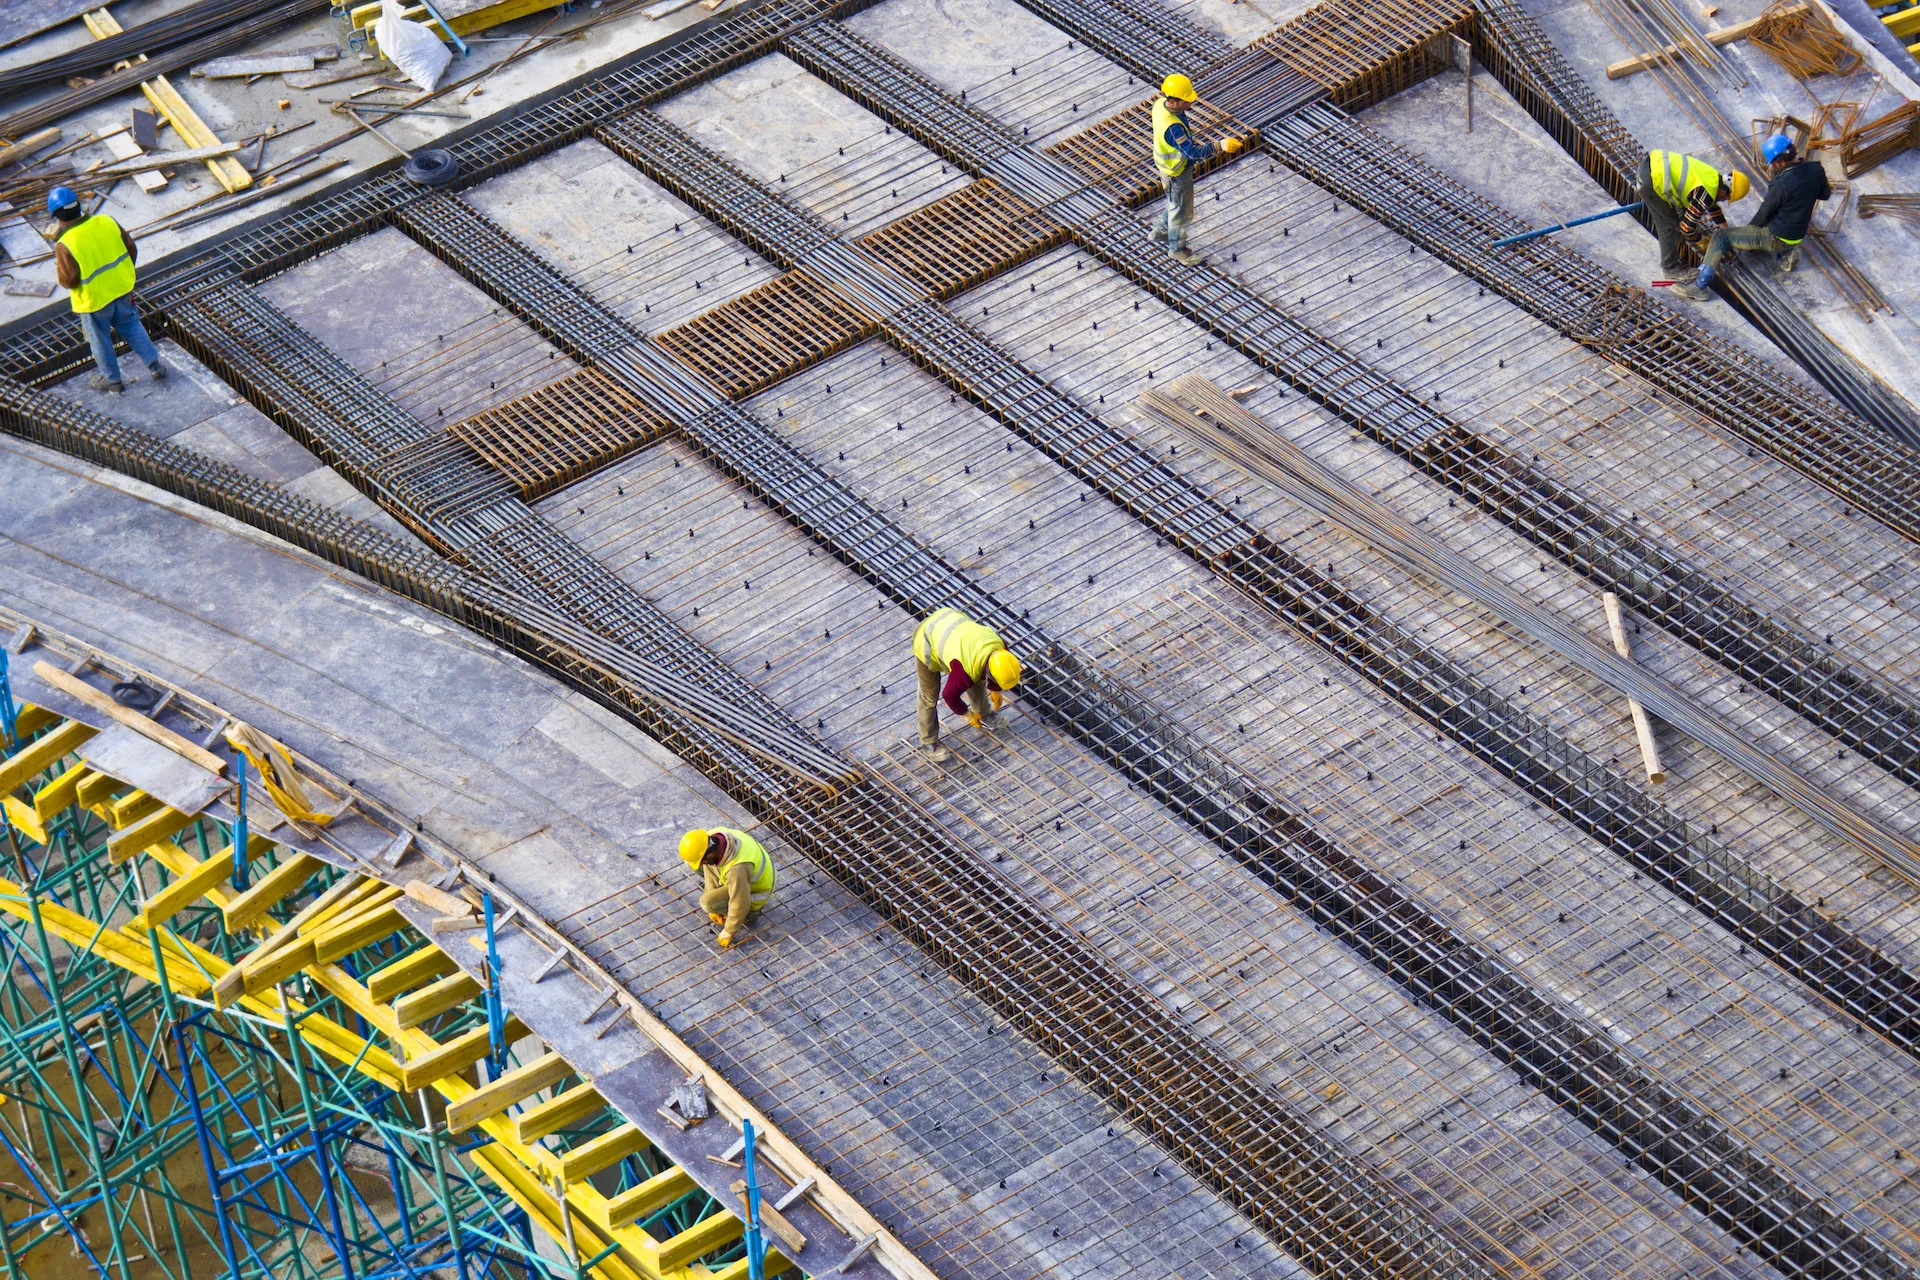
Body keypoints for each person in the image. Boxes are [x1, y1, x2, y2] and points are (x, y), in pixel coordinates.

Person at [1672, 134, 1829, 300]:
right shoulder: (1816, 169)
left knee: (1721, 236)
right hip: (1797, 235)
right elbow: (1825, 194)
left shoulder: (1781, 184)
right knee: (1776, 221)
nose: (1774, 169)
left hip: (1776, 237)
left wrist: (1747, 235)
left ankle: (1699, 286)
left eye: (1774, 165)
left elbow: (1763, 214)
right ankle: (1785, 254)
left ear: (1780, 162)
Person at [48, 186, 165, 394]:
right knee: (132, 327)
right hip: (122, 289)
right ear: (78, 206)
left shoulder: (65, 244)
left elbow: (69, 280)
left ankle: (112, 380)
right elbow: (131, 248)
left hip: (94, 302)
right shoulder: (107, 221)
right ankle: (155, 366)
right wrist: (121, 275)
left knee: (100, 341)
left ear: (58, 217)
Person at [1151, 74, 1244, 266]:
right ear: (1175, 102)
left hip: (1166, 168)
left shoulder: (1160, 104)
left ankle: (1160, 231)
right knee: (1181, 211)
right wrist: (1220, 145)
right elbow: (1192, 153)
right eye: (1187, 101)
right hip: (1177, 171)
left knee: (1173, 201)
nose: (1190, 103)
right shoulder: (1173, 129)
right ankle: (1176, 250)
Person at [913, 606, 1022, 763]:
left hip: (950, 621)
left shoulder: (1001, 648)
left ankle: (985, 714)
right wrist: (968, 715)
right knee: (929, 697)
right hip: (927, 640)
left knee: (977, 677)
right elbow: (949, 696)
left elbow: (986, 673)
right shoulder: (963, 670)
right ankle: (929, 743)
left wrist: (995, 690)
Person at [1636, 150, 1748, 282]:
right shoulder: (1705, 193)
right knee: (1669, 226)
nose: (1723, 200)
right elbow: (1686, 230)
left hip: (1653, 163)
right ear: (1724, 190)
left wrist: (1725, 230)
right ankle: (1670, 268)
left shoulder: (1713, 178)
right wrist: (1701, 240)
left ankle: (1674, 252)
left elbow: (1712, 204)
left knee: (1684, 216)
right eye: (1726, 198)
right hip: (1651, 181)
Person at [679, 827, 775, 948]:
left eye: (704, 860)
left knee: (707, 903)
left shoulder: (737, 869)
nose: (703, 864)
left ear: (711, 852)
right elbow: (710, 868)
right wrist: (713, 896)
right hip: (741, 876)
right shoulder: (712, 838)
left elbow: (740, 902)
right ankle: (723, 893)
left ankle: (750, 915)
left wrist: (729, 931)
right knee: (692, 862)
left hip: (755, 891)